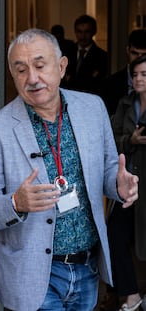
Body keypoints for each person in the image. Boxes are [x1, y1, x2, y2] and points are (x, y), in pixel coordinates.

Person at [0, 28, 139, 311]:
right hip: (32, 275)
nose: (32, 78)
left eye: (39, 65)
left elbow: (110, 168)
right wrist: (15, 203)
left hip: (87, 268)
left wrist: (118, 185)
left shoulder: (92, 108)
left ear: (61, 66)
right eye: (21, 70)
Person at [101, 55, 146, 311]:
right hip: (129, 181)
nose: (139, 79)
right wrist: (132, 140)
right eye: (136, 74)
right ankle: (130, 294)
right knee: (115, 235)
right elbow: (111, 140)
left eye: (144, 74)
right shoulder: (125, 103)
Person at [99, 28, 146, 117]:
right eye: (134, 53)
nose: (139, 59)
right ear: (128, 50)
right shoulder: (108, 85)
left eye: (144, 55)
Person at [62, 14, 108, 95]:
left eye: (87, 32)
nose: (83, 36)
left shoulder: (102, 57)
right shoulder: (66, 53)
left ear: (94, 32)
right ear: (75, 32)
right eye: (79, 32)